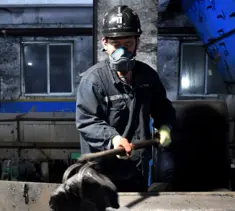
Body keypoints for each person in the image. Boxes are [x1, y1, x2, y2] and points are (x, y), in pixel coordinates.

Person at [75, 5, 176, 192]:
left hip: (136, 171)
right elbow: (87, 122)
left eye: (128, 44)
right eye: (116, 44)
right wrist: (113, 139)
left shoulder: (147, 77)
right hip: (101, 173)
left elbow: (163, 108)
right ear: (105, 43)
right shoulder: (93, 81)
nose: (122, 52)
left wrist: (165, 127)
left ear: (137, 42)